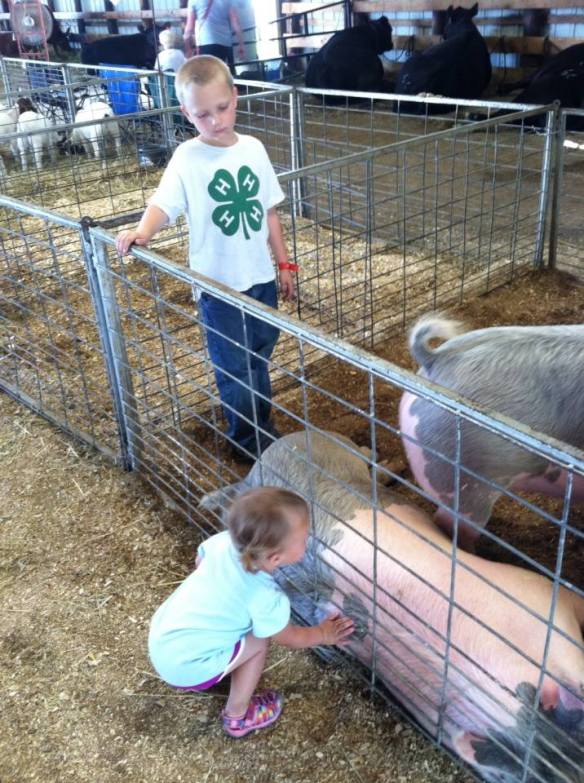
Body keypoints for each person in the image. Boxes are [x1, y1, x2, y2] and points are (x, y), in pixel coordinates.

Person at [116, 56, 297, 461]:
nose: (215, 121)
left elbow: (268, 210)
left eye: (222, 107)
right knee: (235, 366)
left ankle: (258, 424)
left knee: (259, 355)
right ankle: (247, 441)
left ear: (235, 97)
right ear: (186, 112)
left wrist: (285, 264)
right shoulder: (187, 157)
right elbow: (164, 202)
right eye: (202, 114)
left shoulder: (253, 148)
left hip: (260, 278)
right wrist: (143, 231)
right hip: (218, 285)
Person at [148, 487, 355, 738]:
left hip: (162, 640)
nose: (307, 540)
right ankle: (238, 717)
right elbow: (288, 638)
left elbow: (199, 562)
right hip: (186, 668)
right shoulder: (265, 597)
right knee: (259, 638)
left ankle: (213, 666)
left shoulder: (223, 541)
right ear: (276, 558)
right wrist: (323, 633)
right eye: (304, 538)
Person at [183, 0, 246, 70]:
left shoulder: (193, 1)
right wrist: (241, 44)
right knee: (222, 71)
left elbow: (189, 27)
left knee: (208, 74)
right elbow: (235, 22)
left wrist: (187, 47)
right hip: (225, 43)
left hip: (206, 42)